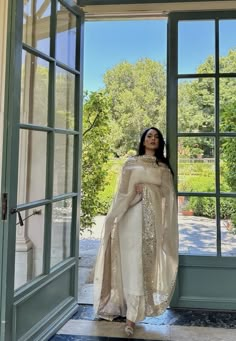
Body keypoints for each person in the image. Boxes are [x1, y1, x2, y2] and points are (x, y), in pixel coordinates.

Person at [93, 127, 178, 337]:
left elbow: (169, 198)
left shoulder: (163, 168)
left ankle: (134, 313)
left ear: (160, 143)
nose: (153, 139)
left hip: (153, 223)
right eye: (149, 136)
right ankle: (130, 316)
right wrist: (114, 216)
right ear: (143, 140)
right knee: (133, 266)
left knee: (143, 266)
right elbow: (122, 193)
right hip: (130, 220)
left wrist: (149, 189)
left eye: (156, 137)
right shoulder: (131, 164)